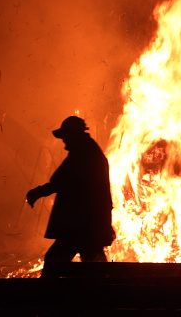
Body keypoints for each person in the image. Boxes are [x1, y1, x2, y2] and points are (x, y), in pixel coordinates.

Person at [26, 116, 115, 277]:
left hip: (79, 223)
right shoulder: (88, 150)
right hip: (88, 224)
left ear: (73, 134)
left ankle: (44, 298)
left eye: (65, 136)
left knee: (55, 261)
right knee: (95, 265)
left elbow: (62, 181)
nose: (64, 141)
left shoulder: (82, 153)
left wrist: (38, 192)